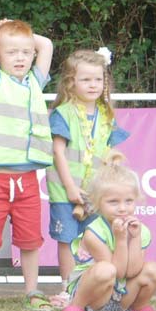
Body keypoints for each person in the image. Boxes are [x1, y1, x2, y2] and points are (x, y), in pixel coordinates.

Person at [0, 19, 54, 305]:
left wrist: (24, 36)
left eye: (25, 52)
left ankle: (33, 291)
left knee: (31, 240)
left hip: (27, 179)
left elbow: (47, 45)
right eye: (11, 52)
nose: (20, 57)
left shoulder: (35, 81)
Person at [46, 48, 128, 289]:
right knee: (68, 239)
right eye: (86, 79)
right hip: (66, 191)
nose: (93, 85)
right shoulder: (63, 113)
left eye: (98, 79)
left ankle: (101, 285)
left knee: (98, 237)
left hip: (97, 191)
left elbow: (110, 152)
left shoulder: (106, 114)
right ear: (71, 83)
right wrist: (70, 187)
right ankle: (68, 287)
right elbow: (57, 151)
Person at [59, 156, 156, 311]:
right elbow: (116, 271)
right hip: (96, 299)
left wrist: (134, 239)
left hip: (122, 299)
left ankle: (138, 308)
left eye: (128, 201)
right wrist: (120, 239)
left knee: (152, 269)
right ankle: (76, 306)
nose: (122, 208)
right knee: (105, 269)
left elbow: (132, 271)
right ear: (98, 203)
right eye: (113, 202)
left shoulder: (140, 230)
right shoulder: (94, 232)